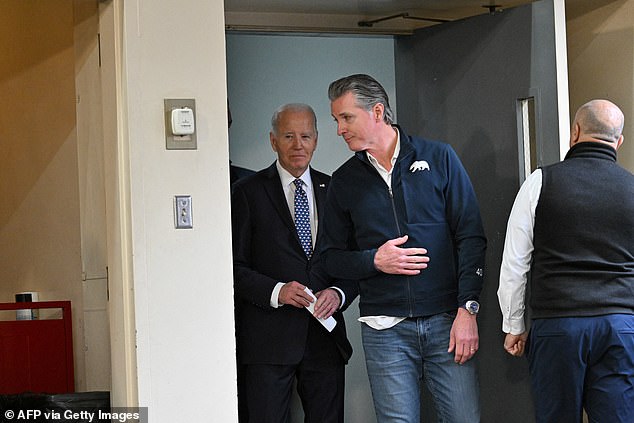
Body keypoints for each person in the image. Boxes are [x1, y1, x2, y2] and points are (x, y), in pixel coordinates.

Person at [322, 74, 487, 423]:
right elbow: (331, 258)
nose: (339, 130)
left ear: (377, 111)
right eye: (336, 120)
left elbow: (471, 237)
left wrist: (467, 309)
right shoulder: (343, 182)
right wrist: (374, 260)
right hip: (385, 330)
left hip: (448, 322)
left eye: (345, 118)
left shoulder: (439, 158)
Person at [498, 99, 634, 422]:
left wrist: (514, 325)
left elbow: (515, 262)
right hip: (620, 325)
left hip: (558, 326)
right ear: (619, 141)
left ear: (575, 132)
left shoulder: (540, 182)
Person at [231, 103, 356, 423]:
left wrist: (339, 294)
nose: (298, 145)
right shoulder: (246, 192)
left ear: (316, 140)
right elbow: (234, 268)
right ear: (273, 141)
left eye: (305, 136)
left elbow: (352, 261)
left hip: (324, 340)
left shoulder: (337, 189)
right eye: (288, 136)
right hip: (267, 344)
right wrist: (278, 291)